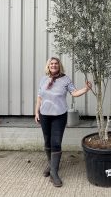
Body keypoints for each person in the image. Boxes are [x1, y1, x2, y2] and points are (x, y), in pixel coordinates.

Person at [34, 57, 92, 187]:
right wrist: (36, 112)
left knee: (56, 143)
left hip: (59, 116)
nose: (53, 65)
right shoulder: (43, 79)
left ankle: (54, 173)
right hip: (44, 115)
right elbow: (39, 97)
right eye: (51, 64)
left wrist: (86, 89)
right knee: (47, 141)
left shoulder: (65, 79)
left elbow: (74, 93)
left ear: (59, 66)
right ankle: (51, 165)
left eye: (56, 64)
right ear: (48, 66)